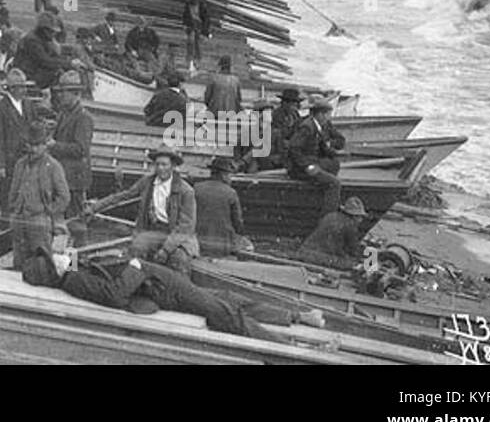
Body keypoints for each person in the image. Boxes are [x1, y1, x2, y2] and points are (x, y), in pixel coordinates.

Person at [21, 250, 323, 341]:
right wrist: (136, 266)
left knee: (229, 297)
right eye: (54, 259)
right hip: (163, 288)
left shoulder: (71, 271)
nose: (58, 255)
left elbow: (94, 269)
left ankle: (296, 316)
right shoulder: (73, 282)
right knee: (222, 310)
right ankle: (288, 348)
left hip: (161, 281)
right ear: (53, 273)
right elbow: (113, 295)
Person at [85, 145, 199, 276]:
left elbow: (186, 227)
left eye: (164, 164)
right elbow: (123, 196)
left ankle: (179, 291)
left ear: (173, 166)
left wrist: (166, 250)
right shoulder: (148, 182)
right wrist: (95, 207)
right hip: (155, 231)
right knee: (136, 248)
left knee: (179, 259)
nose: (160, 168)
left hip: (178, 235)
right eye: (157, 164)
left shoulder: (186, 191)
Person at [8, 121, 70, 271]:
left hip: (39, 223)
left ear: (45, 145)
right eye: (30, 144)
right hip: (19, 220)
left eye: (37, 145)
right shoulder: (20, 164)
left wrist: (47, 212)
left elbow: (64, 197)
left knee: (41, 264)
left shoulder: (53, 167)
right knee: (19, 263)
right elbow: (13, 190)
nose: (33, 149)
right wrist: (14, 209)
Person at [48, 74, 94, 231]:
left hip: (75, 178)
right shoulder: (63, 114)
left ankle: (81, 251)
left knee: (75, 221)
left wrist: (54, 145)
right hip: (64, 175)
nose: (60, 95)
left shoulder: (83, 117)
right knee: (64, 220)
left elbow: (80, 149)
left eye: (64, 92)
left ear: (76, 94)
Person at [286, 99, 346, 213]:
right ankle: (328, 215)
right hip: (301, 168)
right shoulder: (307, 127)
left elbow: (335, 142)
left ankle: (327, 198)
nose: (329, 118)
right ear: (320, 114)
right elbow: (293, 149)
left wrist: (331, 148)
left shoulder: (321, 126)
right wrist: (307, 166)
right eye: (328, 114)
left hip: (313, 162)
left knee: (334, 164)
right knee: (334, 183)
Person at [0, 71, 36, 212]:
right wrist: (0, 166)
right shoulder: (0, 109)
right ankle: (7, 228)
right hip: (10, 161)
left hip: (26, 159)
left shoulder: (28, 105)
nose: (25, 90)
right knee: (8, 196)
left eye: (25, 87)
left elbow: (33, 127)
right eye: (21, 87)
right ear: (12, 89)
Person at [194, 156, 252, 257]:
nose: (230, 178)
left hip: (198, 243)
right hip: (222, 245)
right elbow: (238, 223)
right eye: (230, 175)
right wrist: (242, 237)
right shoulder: (231, 193)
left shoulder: (196, 188)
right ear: (224, 175)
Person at [13, 12, 78, 91]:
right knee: (58, 73)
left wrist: (68, 59)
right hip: (28, 73)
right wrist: (68, 63)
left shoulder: (44, 40)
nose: (53, 34)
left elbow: (54, 56)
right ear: (44, 30)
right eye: (51, 32)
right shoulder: (32, 40)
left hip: (36, 71)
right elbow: (45, 61)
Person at [299, 196, 368, 268]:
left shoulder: (330, 215)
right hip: (322, 257)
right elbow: (353, 250)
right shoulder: (350, 225)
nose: (361, 220)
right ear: (355, 216)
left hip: (305, 251)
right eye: (361, 217)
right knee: (354, 264)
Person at [182, 0, 212, 68]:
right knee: (190, 42)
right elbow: (185, 16)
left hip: (199, 26)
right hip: (191, 25)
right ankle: (189, 59)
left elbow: (206, 20)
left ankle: (197, 60)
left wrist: (205, 31)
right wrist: (185, 25)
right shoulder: (188, 5)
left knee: (197, 44)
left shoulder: (202, 7)